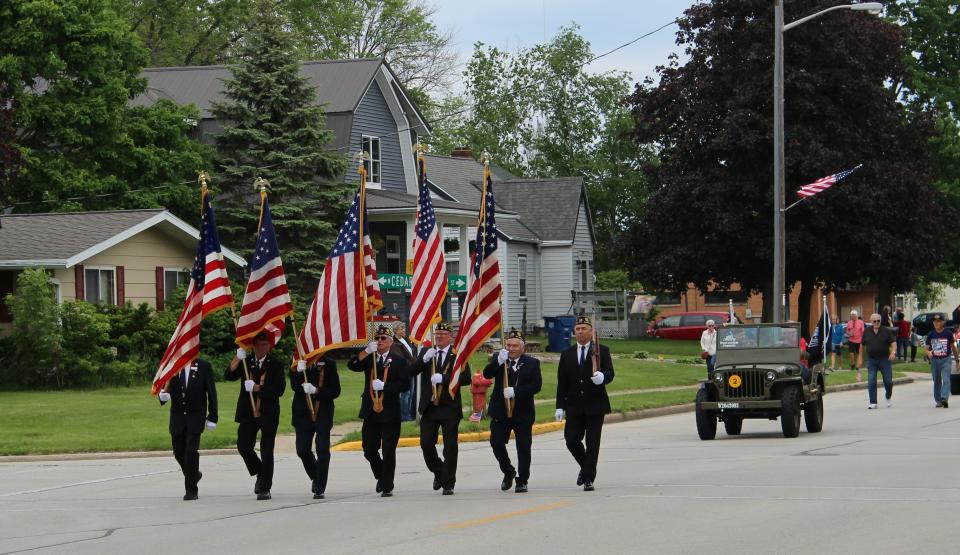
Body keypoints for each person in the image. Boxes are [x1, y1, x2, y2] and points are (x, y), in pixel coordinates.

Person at [408, 321, 471, 495]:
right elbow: (410, 371)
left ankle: (448, 482)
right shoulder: (427, 352)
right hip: (430, 406)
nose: (438, 337)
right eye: (436, 334)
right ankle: (439, 471)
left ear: (449, 337)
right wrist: (423, 359)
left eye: (442, 334)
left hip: (449, 407)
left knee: (450, 446)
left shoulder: (457, 354)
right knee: (426, 444)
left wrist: (444, 379)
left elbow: (466, 378)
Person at [347, 325, 409, 497]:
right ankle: (381, 475)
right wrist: (366, 351)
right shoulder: (369, 358)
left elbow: (405, 385)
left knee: (388, 450)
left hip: (390, 411)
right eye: (377, 338)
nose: (379, 341)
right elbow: (351, 365)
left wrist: (386, 386)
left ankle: (387, 486)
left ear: (390, 342)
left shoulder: (398, 361)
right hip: (371, 410)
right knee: (369, 449)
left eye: (383, 339)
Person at [555, 316, 614, 492]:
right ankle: (587, 468)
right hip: (574, 405)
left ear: (591, 331)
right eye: (577, 328)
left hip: (595, 404)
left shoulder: (601, 351)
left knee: (592, 443)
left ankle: (588, 478)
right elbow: (562, 382)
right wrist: (560, 406)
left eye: (583, 328)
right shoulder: (567, 354)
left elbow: (610, 372)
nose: (580, 331)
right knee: (571, 440)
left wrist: (602, 377)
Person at [226, 331, 286, 500]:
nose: (261, 348)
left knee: (267, 451)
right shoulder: (246, 362)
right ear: (253, 346)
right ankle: (260, 471)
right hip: (247, 412)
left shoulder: (275, 364)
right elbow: (229, 375)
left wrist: (258, 388)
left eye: (265, 345)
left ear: (269, 346)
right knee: (243, 446)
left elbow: (279, 390)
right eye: (258, 345)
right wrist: (238, 358)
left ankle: (264, 488)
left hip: (268, 413)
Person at [483, 329, 542, 493]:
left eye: (514, 346)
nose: (511, 349)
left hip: (522, 411)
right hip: (501, 410)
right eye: (508, 345)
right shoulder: (500, 358)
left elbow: (536, 386)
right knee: (496, 443)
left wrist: (517, 391)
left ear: (522, 348)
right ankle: (508, 471)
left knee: (523, 447)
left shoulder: (532, 363)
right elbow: (487, 374)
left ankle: (522, 480)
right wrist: (497, 362)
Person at [158, 359, 218, 501]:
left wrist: (213, 416)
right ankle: (194, 475)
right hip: (177, 417)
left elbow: (211, 391)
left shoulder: (203, 366)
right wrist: (162, 395)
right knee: (178, 452)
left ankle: (191, 490)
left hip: (195, 416)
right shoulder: (172, 366)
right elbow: (163, 392)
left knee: (191, 451)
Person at [290, 355, 341, 499]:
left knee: (322, 449)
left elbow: (335, 390)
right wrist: (298, 372)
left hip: (323, 412)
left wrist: (317, 391)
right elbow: (294, 386)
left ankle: (320, 487)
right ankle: (316, 476)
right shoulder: (297, 362)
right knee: (302, 450)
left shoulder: (329, 363)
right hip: (302, 413)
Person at [862, 313, 896, 409]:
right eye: (874, 321)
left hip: (885, 359)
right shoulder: (867, 331)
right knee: (871, 380)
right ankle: (873, 402)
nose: (877, 322)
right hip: (872, 359)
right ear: (871, 322)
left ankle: (888, 396)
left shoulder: (886, 331)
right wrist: (860, 357)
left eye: (878, 321)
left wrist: (893, 352)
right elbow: (862, 345)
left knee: (888, 381)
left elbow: (893, 343)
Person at [924, 314, 959, 408]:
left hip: (946, 359)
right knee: (937, 381)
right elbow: (926, 348)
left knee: (946, 378)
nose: (936, 323)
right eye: (934, 321)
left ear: (943, 322)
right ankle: (938, 400)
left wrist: (957, 360)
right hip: (935, 360)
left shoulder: (948, 333)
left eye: (938, 321)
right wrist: (928, 353)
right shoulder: (931, 334)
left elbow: (953, 348)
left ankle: (944, 398)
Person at [391, 323, 417, 422]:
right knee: (406, 394)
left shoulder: (405, 340)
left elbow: (411, 353)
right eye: (401, 329)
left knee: (411, 393)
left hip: (412, 370)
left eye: (403, 328)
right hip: (405, 371)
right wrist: (411, 365)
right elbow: (401, 358)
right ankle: (404, 416)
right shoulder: (394, 343)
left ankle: (408, 413)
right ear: (396, 331)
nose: (403, 330)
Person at [846, 310, 864, 380]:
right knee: (851, 353)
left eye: (853, 315)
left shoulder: (861, 322)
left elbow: (862, 331)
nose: (852, 317)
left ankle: (857, 366)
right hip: (851, 340)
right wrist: (849, 333)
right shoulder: (849, 322)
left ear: (856, 316)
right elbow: (847, 331)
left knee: (858, 354)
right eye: (851, 316)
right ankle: (852, 364)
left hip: (859, 340)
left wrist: (863, 339)